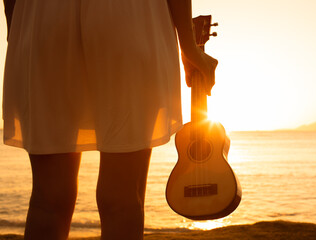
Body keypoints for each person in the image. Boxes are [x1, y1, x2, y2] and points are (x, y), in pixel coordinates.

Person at [2, 0, 218, 239]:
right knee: (122, 200)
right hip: (128, 17)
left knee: (49, 201)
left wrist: (20, 29)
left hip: (41, 17)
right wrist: (189, 46)